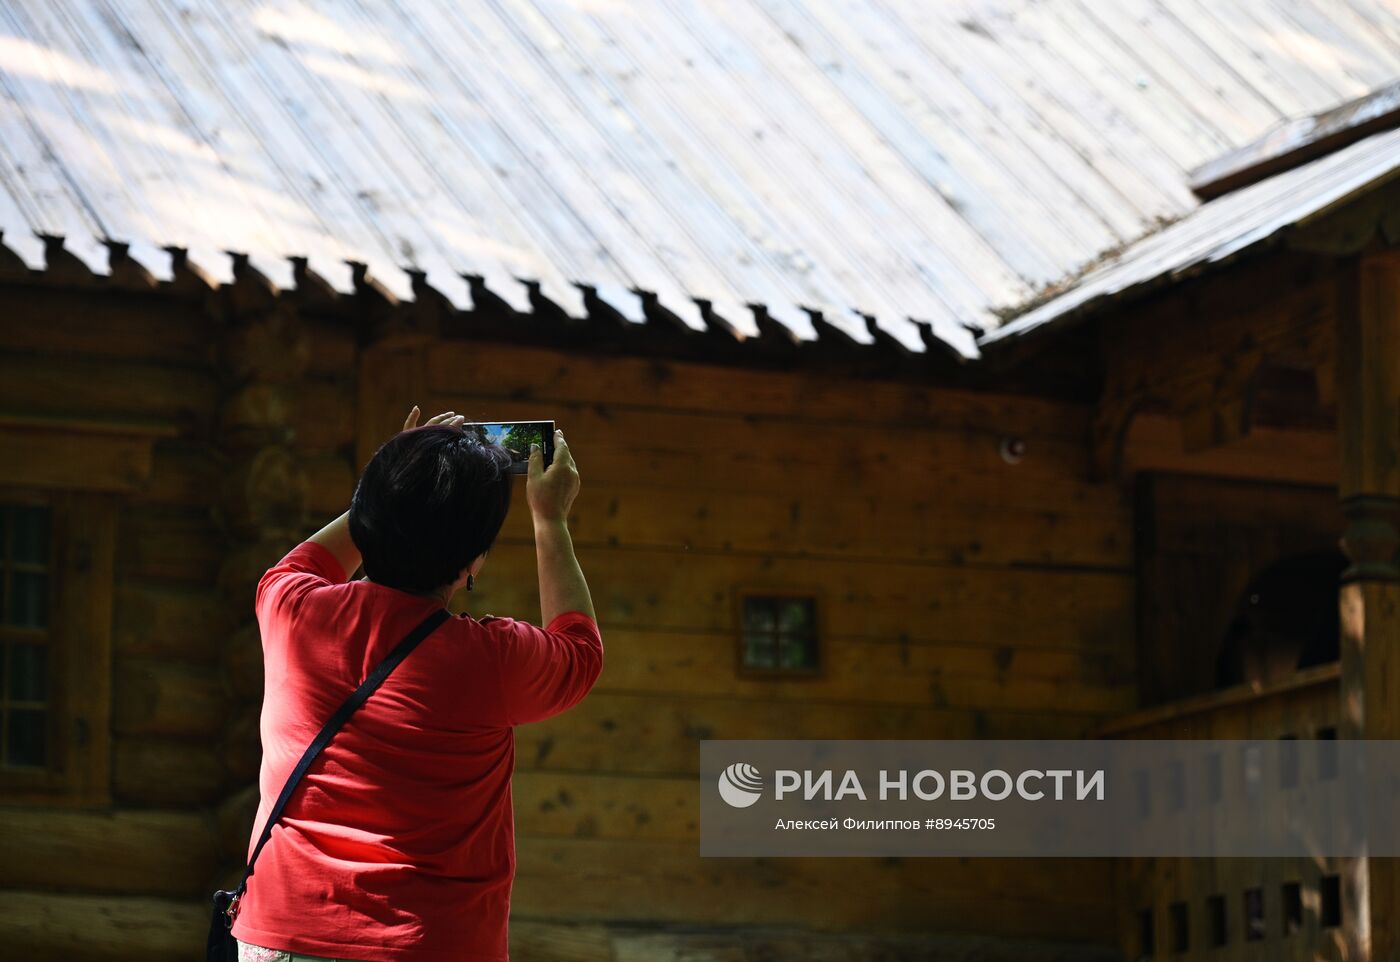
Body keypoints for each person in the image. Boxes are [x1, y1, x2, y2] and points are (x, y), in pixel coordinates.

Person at [230, 408, 603, 962]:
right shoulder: (491, 661)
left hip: (279, 935)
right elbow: (580, 650)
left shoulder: (291, 611)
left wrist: (398, 476)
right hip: (429, 944)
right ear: (474, 561)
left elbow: (310, 558)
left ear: (370, 515)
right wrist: (549, 520)